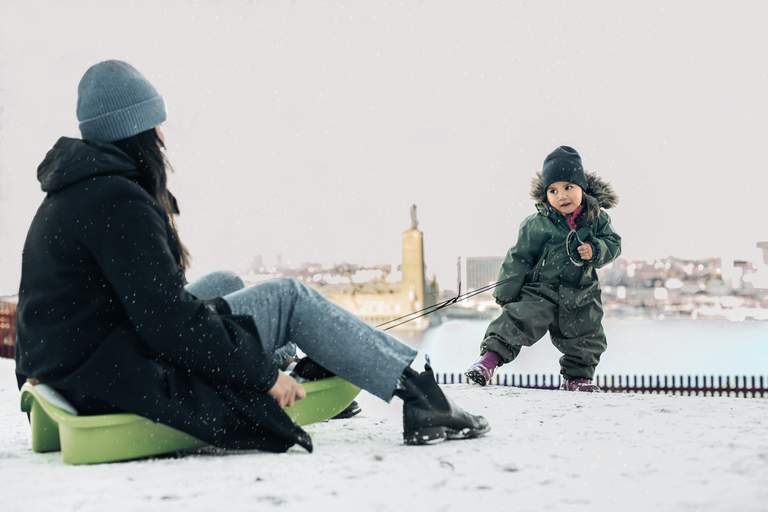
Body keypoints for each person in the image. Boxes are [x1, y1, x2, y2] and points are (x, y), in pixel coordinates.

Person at [14, 60, 489, 453]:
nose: (162, 135)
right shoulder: (118, 201)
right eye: (155, 124)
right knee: (287, 298)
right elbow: (166, 323)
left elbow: (151, 309)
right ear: (138, 130)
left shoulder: (74, 192)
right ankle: (422, 395)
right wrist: (261, 377)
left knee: (223, 280)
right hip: (108, 372)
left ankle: (303, 358)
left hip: (75, 360)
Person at [465, 146, 621, 392]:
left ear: (582, 187)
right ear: (545, 194)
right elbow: (519, 258)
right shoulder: (536, 225)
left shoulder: (596, 219)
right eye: (553, 190)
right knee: (517, 319)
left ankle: (577, 379)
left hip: (581, 292)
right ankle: (487, 362)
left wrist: (596, 249)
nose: (562, 195)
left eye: (568, 187)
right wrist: (507, 292)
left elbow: (614, 243)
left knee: (587, 334)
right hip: (541, 290)